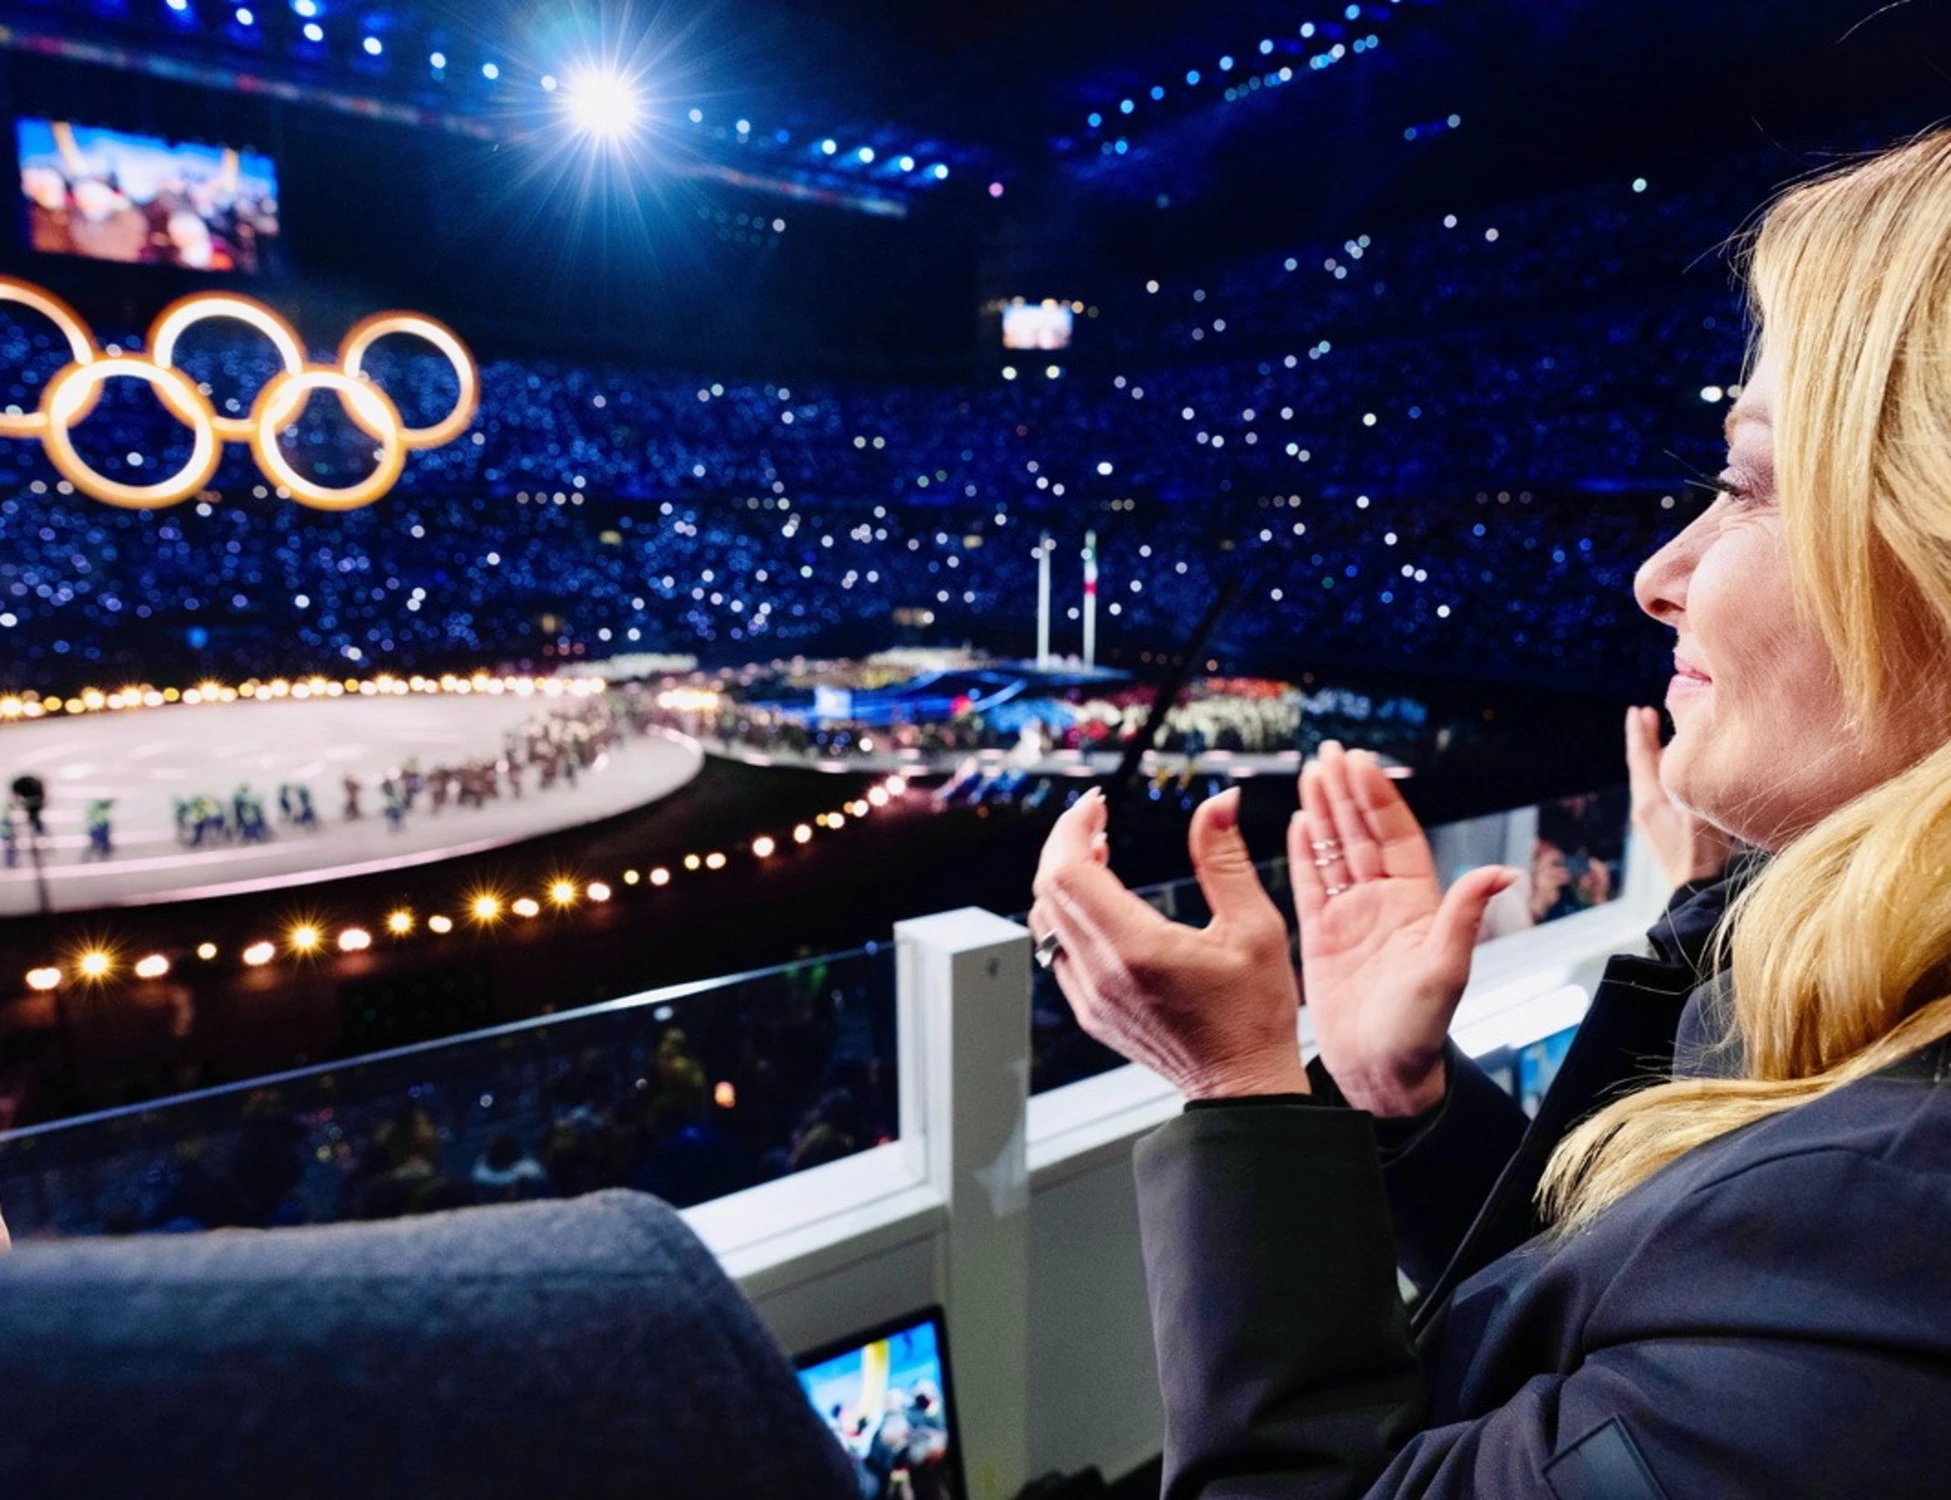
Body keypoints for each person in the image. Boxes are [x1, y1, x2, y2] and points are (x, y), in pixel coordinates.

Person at [1031, 131, 1951, 1496]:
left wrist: (1241, 1095)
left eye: (1748, 483)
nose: (1659, 573)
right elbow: (1635, 1328)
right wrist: (1402, 1102)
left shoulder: (1888, 1223)